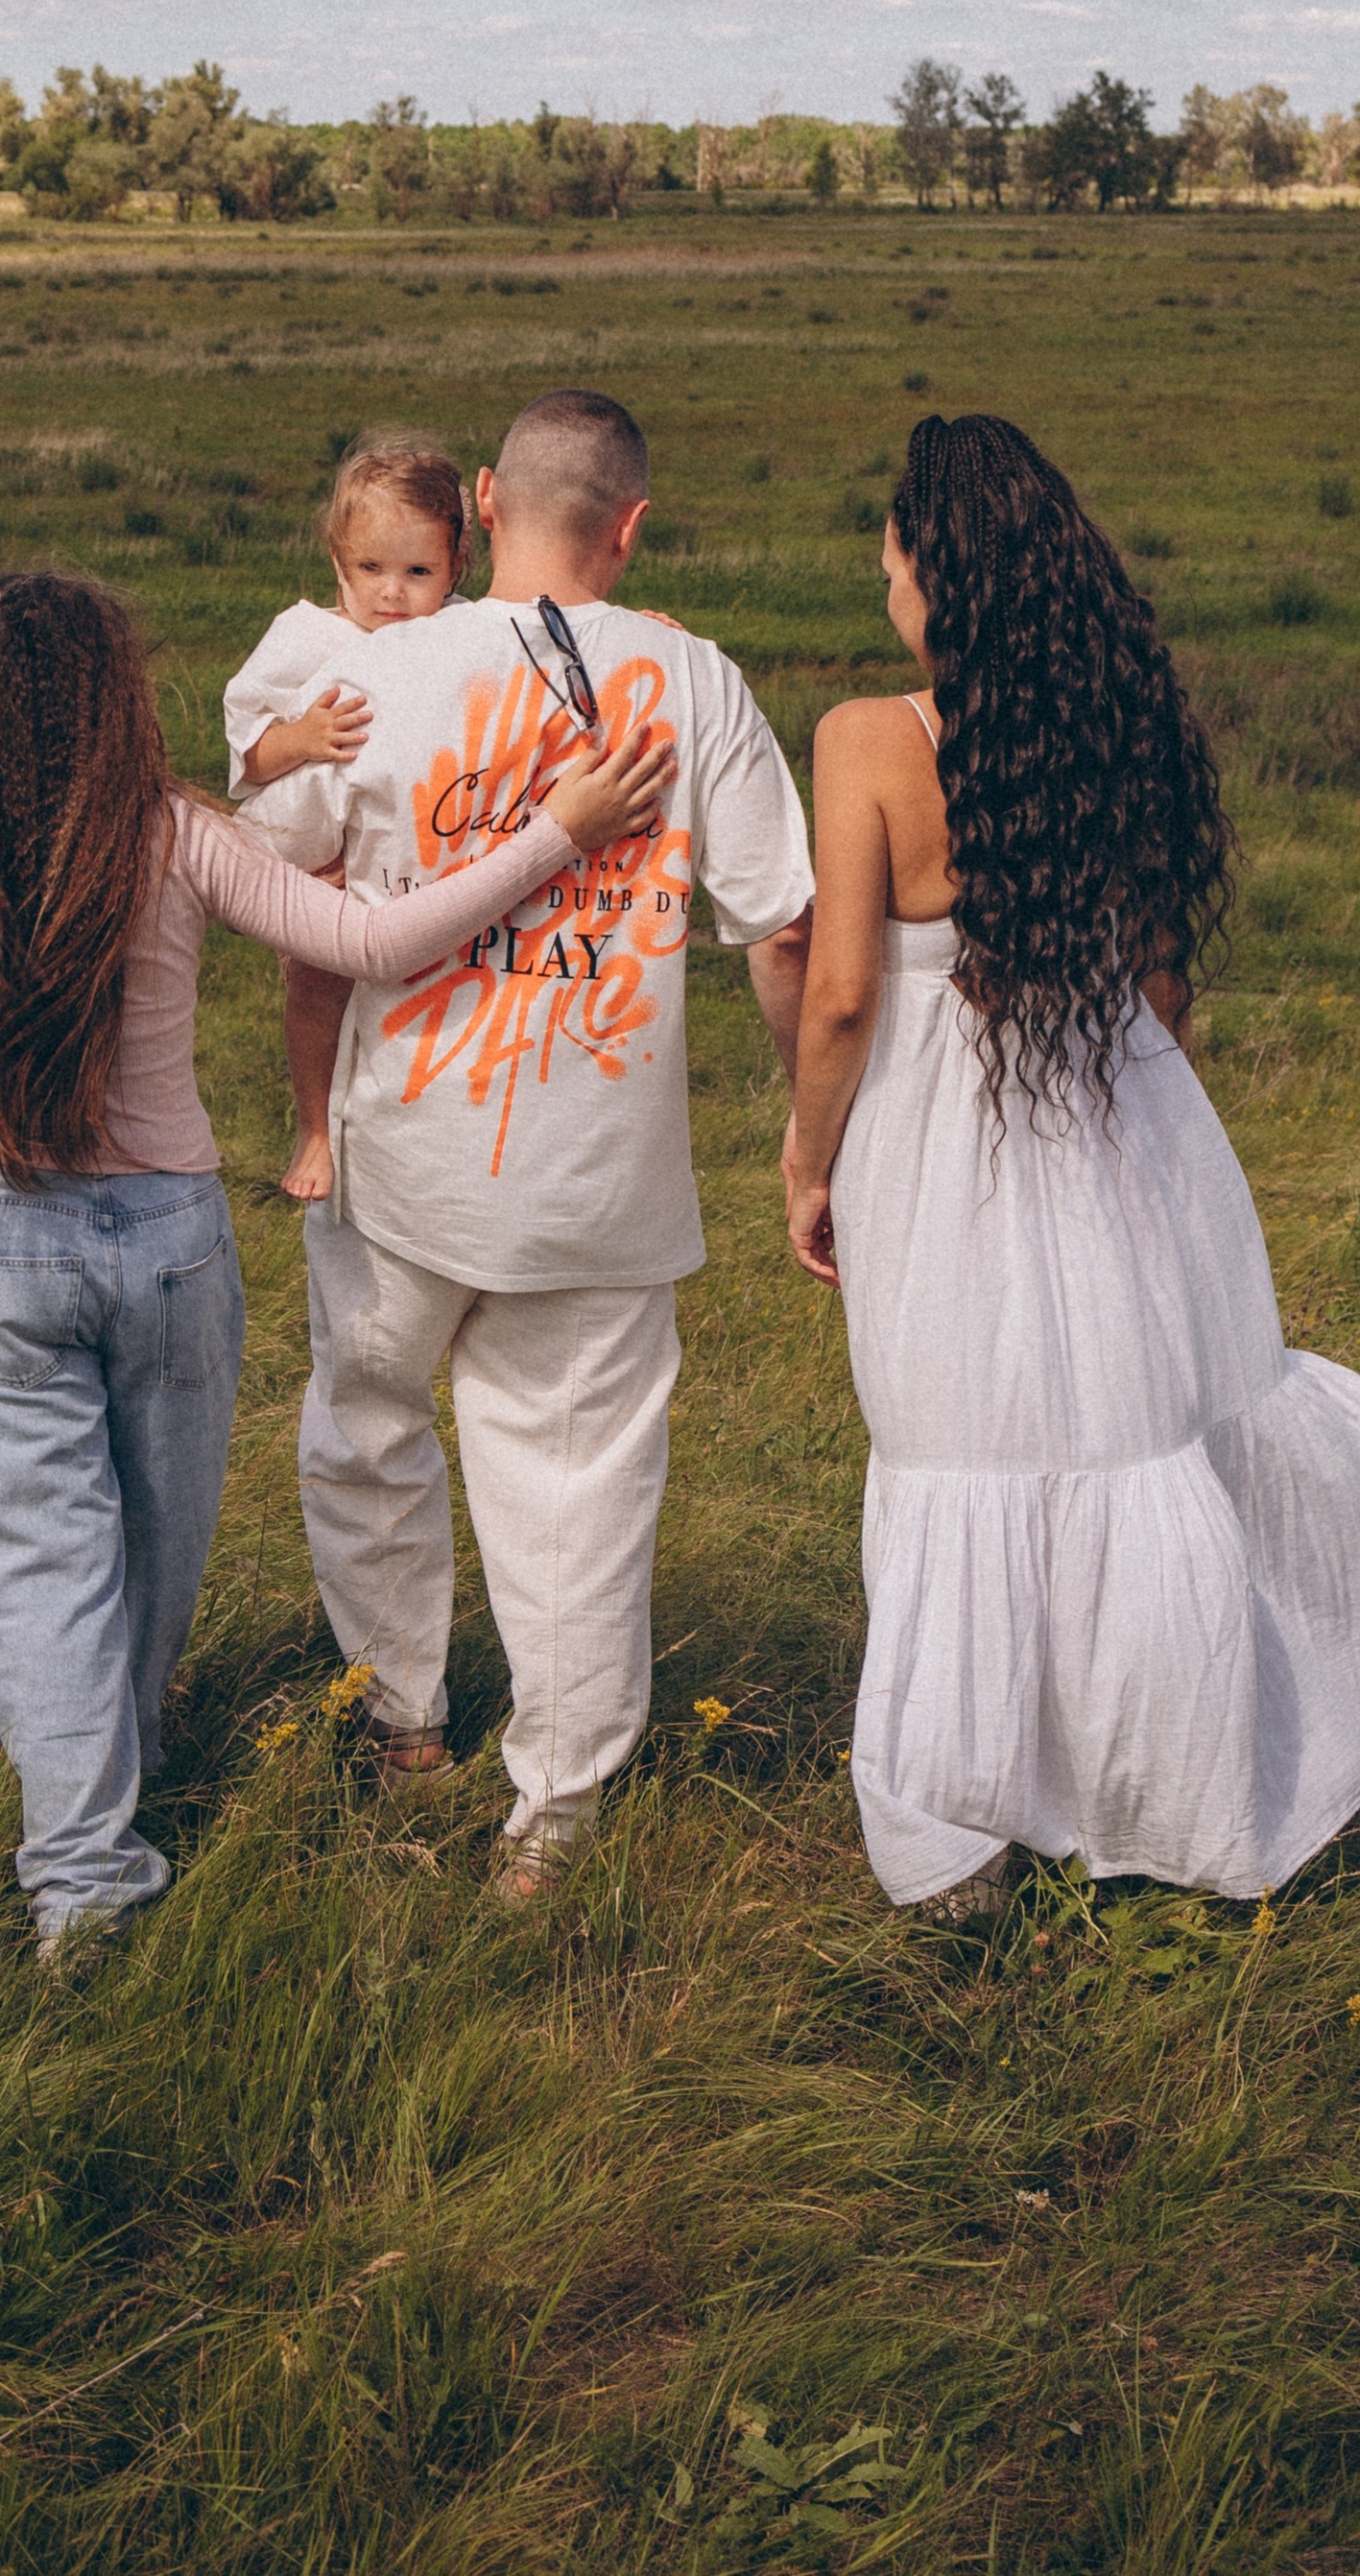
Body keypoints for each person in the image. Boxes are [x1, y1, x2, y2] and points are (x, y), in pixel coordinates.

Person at [0, 569, 672, 1960]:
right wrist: (558, 832)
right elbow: (375, 942)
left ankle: (84, 1868)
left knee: (38, 1572)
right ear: (110, 705)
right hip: (172, 1266)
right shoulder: (176, 837)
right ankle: (95, 1818)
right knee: (147, 1561)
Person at [783, 416, 1360, 1920]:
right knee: (1137, 1438)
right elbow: (1162, 985)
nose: (885, 572)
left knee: (964, 1458)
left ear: (929, 567)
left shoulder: (867, 741)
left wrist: (805, 1157)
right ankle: (1164, 1782)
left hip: (945, 1162)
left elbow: (842, 996)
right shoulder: (1125, 717)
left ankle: (968, 1842)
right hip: (1125, 1132)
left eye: (894, 546)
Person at [247, 389, 815, 1895]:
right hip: (599, 1185)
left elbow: (278, 877)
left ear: (485, 501)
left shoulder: (375, 670)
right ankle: (553, 1818)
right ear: (630, 527)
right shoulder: (694, 679)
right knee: (575, 1487)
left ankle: (400, 1720)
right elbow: (779, 936)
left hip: (401, 1165)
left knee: (367, 1431)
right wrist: (818, 1141)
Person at [221, 436, 472, 1201]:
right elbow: (248, 759)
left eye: (418, 572)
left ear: (456, 570)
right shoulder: (305, 635)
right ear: (338, 562)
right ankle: (315, 1130)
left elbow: (547, 636)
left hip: (412, 847)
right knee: (319, 987)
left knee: (433, 986)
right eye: (371, 569)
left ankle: (434, 1129)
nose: (391, 593)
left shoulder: (464, 627)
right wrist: (299, 739)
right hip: (313, 848)